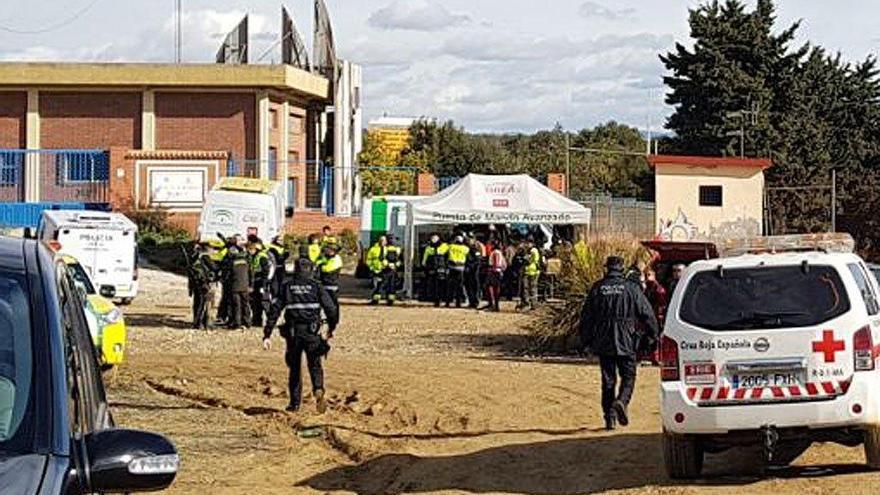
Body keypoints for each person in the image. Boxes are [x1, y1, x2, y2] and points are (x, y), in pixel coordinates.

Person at [580, 256, 660, 430]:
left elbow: (586, 317)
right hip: (627, 339)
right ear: (622, 269)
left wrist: (586, 341)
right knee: (629, 377)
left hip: (603, 340)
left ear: (606, 268)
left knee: (608, 381)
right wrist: (653, 336)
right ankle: (621, 401)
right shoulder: (631, 289)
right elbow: (647, 314)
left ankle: (609, 417)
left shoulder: (598, 288)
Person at [262, 257, 339, 413]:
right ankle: (318, 389)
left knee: (295, 368)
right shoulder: (316, 286)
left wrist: (267, 334)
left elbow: (275, 310)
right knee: (315, 364)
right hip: (312, 332)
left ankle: (294, 404)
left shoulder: (287, 286)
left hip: (293, 333)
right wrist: (331, 328)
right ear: (311, 270)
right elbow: (331, 309)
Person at [188, 243, 218, 330]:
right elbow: (214, 268)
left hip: (196, 284)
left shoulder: (195, 257)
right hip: (204, 284)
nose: (213, 251)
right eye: (212, 249)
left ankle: (196, 322)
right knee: (204, 303)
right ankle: (202, 323)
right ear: (208, 250)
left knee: (197, 303)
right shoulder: (206, 257)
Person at [224, 244, 252, 329]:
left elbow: (228, 275)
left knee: (237, 305)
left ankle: (237, 323)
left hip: (235, 287)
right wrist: (251, 284)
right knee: (246, 304)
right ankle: (247, 322)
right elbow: (251, 273)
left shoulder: (232, 262)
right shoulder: (246, 261)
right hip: (245, 286)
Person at [247, 236, 272, 327]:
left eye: (251, 249)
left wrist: (264, 285)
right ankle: (257, 321)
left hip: (261, 282)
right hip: (255, 282)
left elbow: (266, 271)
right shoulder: (254, 256)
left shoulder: (262, 256)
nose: (250, 251)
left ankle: (270, 321)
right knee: (255, 303)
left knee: (265, 302)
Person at [421, 234, 448, 306]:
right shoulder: (430, 248)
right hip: (437, 269)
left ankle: (439, 300)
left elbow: (424, 261)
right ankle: (438, 300)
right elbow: (424, 259)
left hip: (438, 269)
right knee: (436, 285)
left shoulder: (444, 246)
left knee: (438, 285)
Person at [316, 243, 343, 307]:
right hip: (324, 284)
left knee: (333, 303)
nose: (326, 252)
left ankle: (334, 316)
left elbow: (327, 269)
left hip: (331, 284)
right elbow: (317, 262)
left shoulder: (336, 259)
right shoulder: (326, 258)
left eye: (328, 250)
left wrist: (320, 265)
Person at [518, 238, 541, 311]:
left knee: (530, 288)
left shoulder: (533, 251)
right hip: (528, 271)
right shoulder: (528, 251)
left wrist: (524, 257)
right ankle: (529, 303)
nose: (527, 245)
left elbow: (529, 260)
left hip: (532, 271)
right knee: (527, 288)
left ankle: (531, 304)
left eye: (528, 243)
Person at [446, 235, 469, 308]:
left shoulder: (451, 246)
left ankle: (448, 302)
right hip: (461, 269)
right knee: (459, 286)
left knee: (450, 286)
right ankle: (458, 303)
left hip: (452, 268)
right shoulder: (465, 248)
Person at [483, 241, 507, 312]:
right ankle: (495, 305)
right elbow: (504, 264)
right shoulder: (500, 253)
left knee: (490, 287)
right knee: (495, 288)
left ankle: (493, 305)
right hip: (498, 271)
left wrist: (492, 269)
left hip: (494, 272)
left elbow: (496, 262)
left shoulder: (495, 252)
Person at [380, 236, 402, 305]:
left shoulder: (397, 249)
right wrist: (389, 265)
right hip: (387, 269)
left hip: (392, 269)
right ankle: (389, 298)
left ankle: (391, 299)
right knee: (388, 284)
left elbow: (400, 258)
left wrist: (396, 264)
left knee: (392, 284)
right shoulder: (385, 248)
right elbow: (382, 258)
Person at [464, 235, 484, 309]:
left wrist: (471, 267)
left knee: (474, 287)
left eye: (470, 239)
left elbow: (478, 260)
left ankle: (475, 302)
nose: (468, 241)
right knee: (468, 287)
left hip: (474, 272)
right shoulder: (466, 249)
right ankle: (471, 301)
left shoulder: (475, 250)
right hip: (467, 271)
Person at [366, 236, 387, 305]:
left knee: (381, 285)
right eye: (381, 240)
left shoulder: (386, 249)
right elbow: (368, 259)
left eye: (384, 241)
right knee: (376, 285)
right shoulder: (373, 249)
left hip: (384, 270)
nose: (382, 242)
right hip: (375, 270)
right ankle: (375, 300)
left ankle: (378, 298)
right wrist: (371, 268)